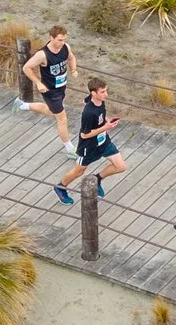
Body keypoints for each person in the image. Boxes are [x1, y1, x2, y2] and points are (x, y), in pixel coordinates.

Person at [54, 77, 126, 207]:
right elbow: (85, 134)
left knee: (120, 166)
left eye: (106, 91)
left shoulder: (98, 100)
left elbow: (85, 101)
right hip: (89, 147)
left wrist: (106, 120)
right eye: (103, 92)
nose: (106, 94)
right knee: (79, 171)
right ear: (94, 93)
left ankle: (97, 179)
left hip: (103, 142)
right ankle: (60, 187)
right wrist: (106, 127)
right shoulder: (88, 113)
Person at [17, 24, 78, 157]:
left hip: (61, 88)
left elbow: (71, 58)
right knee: (62, 118)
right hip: (49, 91)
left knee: (51, 111)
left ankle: (22, 105)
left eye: (64, 39)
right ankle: (70, 149)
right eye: (59, 40)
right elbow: (26, 68)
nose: (63, 43)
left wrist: (73, 69)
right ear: (51, 38)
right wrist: (38, 83)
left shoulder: (66, 48)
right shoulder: (42, 54)